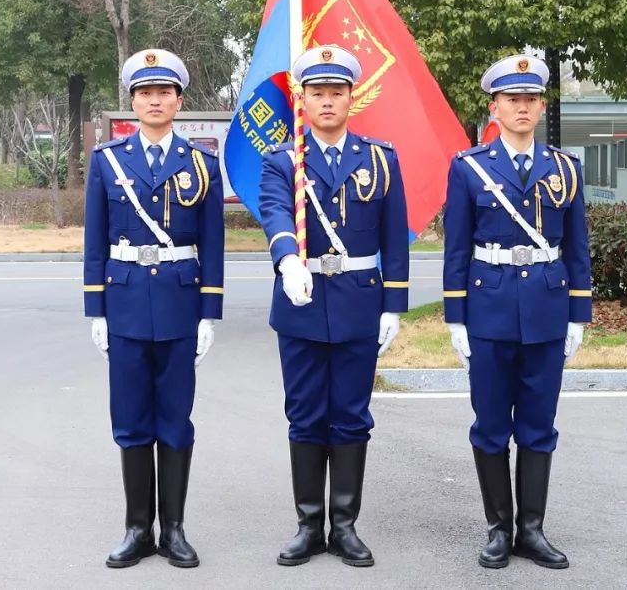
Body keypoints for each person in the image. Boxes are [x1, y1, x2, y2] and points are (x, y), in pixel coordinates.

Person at [258, 44, 409, 568]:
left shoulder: (379, 160)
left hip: (358, 302)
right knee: (304, 416)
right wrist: (287, 260)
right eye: (316, 92)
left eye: (335, 92)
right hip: (300, 300)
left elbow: (396, 238)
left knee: (350, 416)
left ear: (352, 97)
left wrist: (394, 304)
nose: (326, 101)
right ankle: (308, 524)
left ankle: (344, 525)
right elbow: (276, 212)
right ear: (301, 99)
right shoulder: (283, 161)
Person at [442, 51, 592, 570]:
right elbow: (456, 249)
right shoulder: (469, 169)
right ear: (495, 107)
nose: (522, 107)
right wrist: (456, 318)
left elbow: (577, 247)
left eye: (530, 99)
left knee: (538, 425)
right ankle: (498, 528)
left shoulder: (566, 169)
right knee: (489, 424)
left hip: (548, 310)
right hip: (489, 309)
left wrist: (578, 315)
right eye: (512, 99)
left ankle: (532, 529)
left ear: (542, 105)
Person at [82, 48, 224, 570]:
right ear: (133, 101)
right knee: (130, 419)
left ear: (179, 100)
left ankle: (175, 530)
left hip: (180, 304)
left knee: (176, 419)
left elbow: (213, 241)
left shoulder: (202, 163)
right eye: (146, 92)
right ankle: (137, 528)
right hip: (123, 302)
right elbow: (94, 241)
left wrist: (210, 312)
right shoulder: (108, 161)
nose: (155, 100)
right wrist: (94, 310)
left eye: (165, 92)